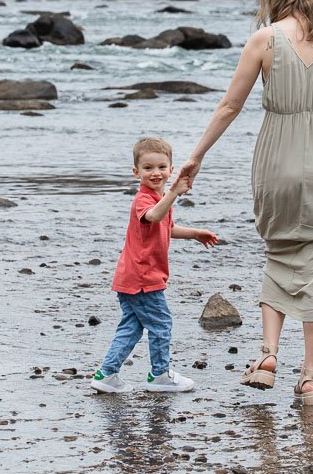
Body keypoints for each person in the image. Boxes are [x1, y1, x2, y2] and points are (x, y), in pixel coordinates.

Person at [175, 0, 313, 407]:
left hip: (277, 158)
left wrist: (195, 157)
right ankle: (311, 378)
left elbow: (229, 107)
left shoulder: (264, 40)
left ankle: (267, 356)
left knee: (278, 251)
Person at [91, 136, 220, 394]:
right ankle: (160, 374)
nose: (156, 173)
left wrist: (194, 233)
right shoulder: (144, 200)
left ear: (171, 169)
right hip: (142, 277)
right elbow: (153, 216)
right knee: (161, 323)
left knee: (132, 326)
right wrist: (173, 193)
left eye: (162, 167)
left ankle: (106, 374)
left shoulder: (159, 198)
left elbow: (166, 227)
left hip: (131, 277)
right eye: (148, 168)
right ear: (136, 172)